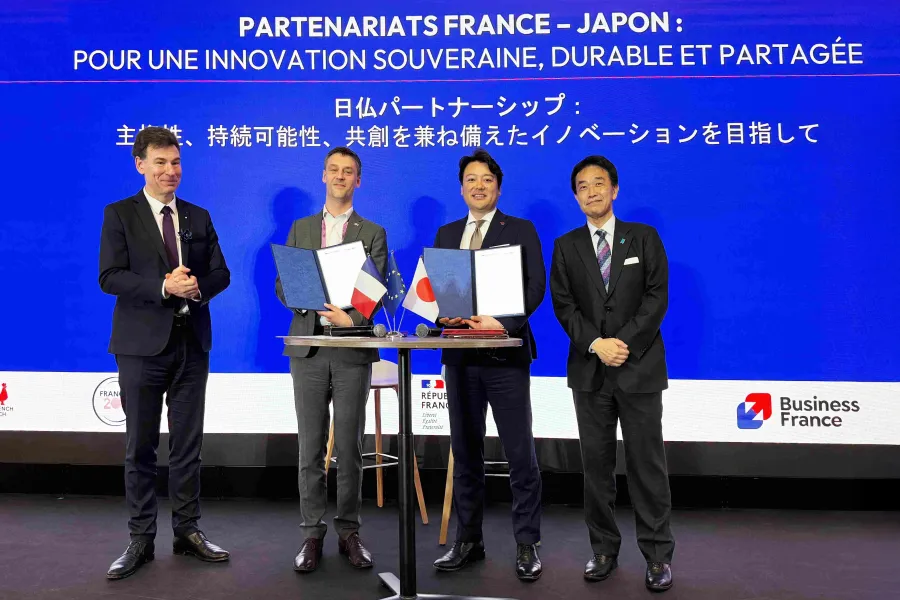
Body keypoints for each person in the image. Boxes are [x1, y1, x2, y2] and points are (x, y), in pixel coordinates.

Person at [99, 126, 231, 580]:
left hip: (192, 344)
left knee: (188, 446)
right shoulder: (120, 214)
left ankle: (188, 530)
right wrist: (162, 286)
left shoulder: (198, 215)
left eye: (175, 162)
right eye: (160, 162)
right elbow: (110, 276)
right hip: (140, 348)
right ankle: (140, 539)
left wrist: (196, 289)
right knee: (140, 446)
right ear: (141, 165)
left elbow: (220, 272)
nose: (170, 171)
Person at [549, 155, 675, 591]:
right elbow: (563, 305)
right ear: (576, 196)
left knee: (647, 466)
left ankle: (658, 556)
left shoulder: (644, 238)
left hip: (638, 369)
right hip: (590, 371)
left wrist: (624, 343)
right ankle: (603, 550)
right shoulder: (566, 246)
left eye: (599, 184)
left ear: (615, 189)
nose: (591, 192)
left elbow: (656, 297)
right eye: (582, 186)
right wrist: (596, 344)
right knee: (596, 469)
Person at [431, 149, 546, 581]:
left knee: (520, 454)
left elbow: (536, 286)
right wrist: (442, 313)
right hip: (460, 357)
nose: (478, 186)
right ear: (461, 187)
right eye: (471, 179)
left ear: (498, 186)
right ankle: (468, 540)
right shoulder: (446, 233)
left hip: (505, 354)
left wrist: (502, 321)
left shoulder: (519, 229)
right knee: (465, 452)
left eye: (487, 179)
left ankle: (527, 543)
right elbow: (436, 290)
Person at [275, 147, 388, 573]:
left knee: (349, 447)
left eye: (349, 172)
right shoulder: (302, 228)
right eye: (334, 170)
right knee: (309, 447)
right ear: (323, 175)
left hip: (351, 348)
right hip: (307, 346)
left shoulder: (372, 231)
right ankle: (311, 533)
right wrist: (304, 299)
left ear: (358, 181)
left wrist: (351, 317)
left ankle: (349, 531)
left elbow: (375, 288)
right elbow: (282, 286)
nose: (341, 177)